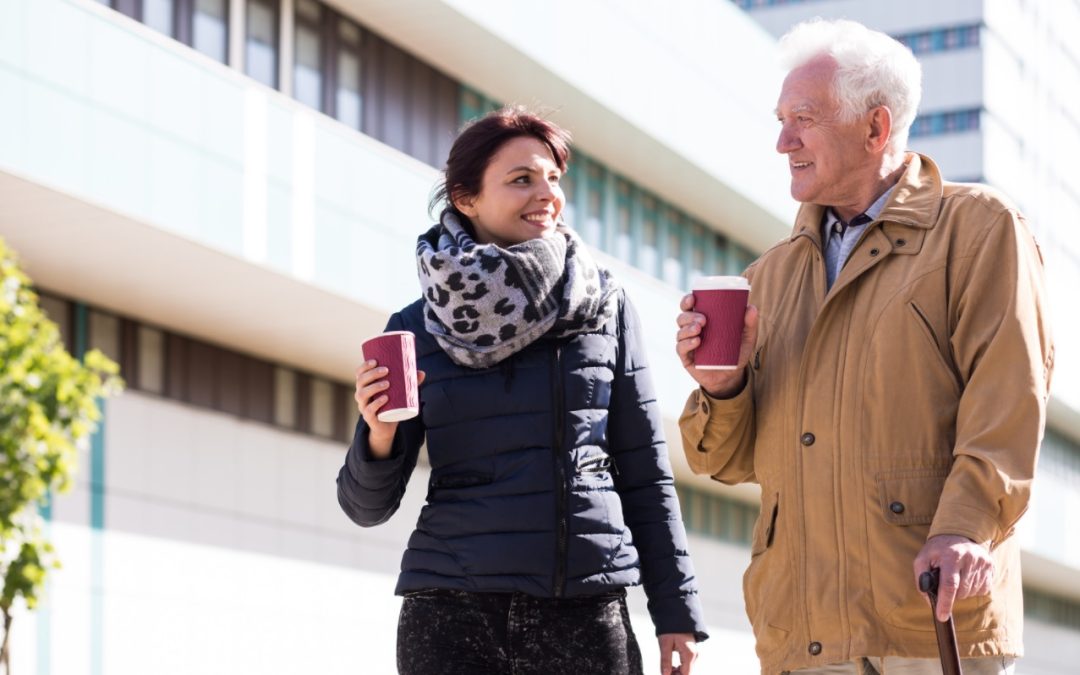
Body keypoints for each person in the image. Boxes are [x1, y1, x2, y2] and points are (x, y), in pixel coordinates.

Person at [675, 19, 1053, 675]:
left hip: (928, 620)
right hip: (804, 633)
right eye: (781, 119)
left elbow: (1007, 401)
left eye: (804, 119)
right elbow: (722, 462)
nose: (782, 140)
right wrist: (721, 388)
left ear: (875, 129)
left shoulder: (978, 228)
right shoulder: (768, 275)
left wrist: (963, 526)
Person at [338, 106, 707, 675]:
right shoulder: (415, 325)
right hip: (451, 614)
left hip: (584, 607)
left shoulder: (603, 308)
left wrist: (675, 611)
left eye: (553, 178)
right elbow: (365, 507)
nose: (546, 194)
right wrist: (379, 434)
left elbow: (643, 470)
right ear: (465, 198)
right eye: (521, 180)